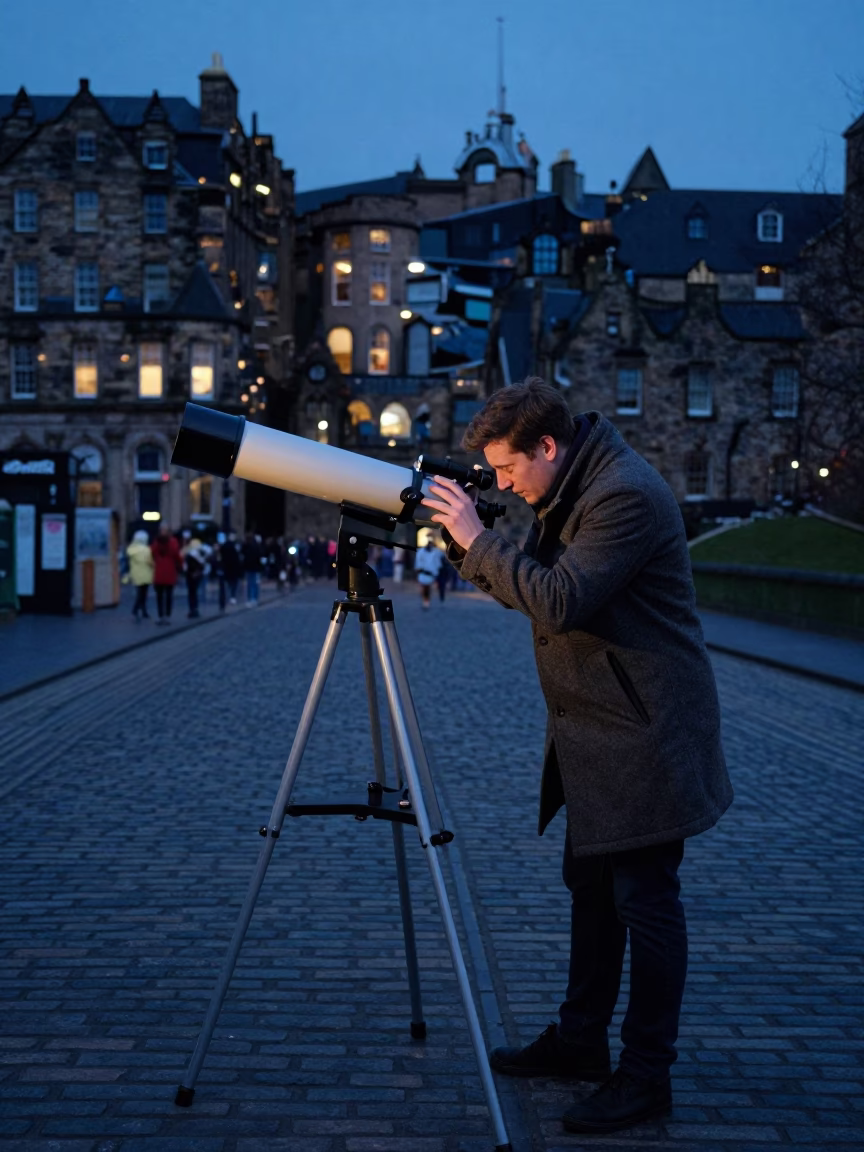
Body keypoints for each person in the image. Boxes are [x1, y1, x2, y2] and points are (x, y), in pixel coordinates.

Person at [422, 378, 733, 1136]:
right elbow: (532, 591)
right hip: (600, 729)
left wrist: (475, 536)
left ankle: (645, 1076)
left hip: (645, 733)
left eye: (506, 469)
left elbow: (559, 600)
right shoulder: (572, 487)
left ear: (548, 447)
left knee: (645, 903)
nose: (501, 484)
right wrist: (467, 546)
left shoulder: (623, 494)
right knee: (591, 889)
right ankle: (581, 1041)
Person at [150, 526, 182, 625]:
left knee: (159, 596)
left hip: (159, 572)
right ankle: (167, 616)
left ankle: (161, 616)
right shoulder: (173, 542)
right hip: (170, 572)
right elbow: (177, 556)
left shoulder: (156, 542)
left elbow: (152, 553)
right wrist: (180, 567)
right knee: (169, 595)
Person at [126, 530, 153, 620]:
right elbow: (150, 562)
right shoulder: (147, 550)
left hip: (136, 574)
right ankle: (138, 610)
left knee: (140, 594)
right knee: (144, 594)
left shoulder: (131, 549)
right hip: (146, 574)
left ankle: (141, 610)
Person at [413, 539, 444, 609]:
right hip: (423, 573)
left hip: (430, 574)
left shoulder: (436, 552)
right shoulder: (421, 552)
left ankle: (426, 602)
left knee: (427, 589)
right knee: (424, 588)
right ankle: (425, 601)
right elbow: (418, 562)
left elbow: (438, 562)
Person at [181, 536, 207, 619]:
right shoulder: (201, 554)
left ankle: (192, 609)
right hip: (197, 575)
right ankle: (195, 609)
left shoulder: (190, 554)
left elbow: (186, 566)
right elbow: (202, 565)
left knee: (191, 593)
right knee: (194, 593)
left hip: (190, 575)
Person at [221, 532, 242, 604]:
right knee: (233, 583)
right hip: (233, 568)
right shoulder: (234, 546)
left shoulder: (225, 545)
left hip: (227, 567)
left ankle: (229, 596)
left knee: (229, 583)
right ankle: (232, 597)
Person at [242, 533, 261, 605]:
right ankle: (254, 598)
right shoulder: (256, 546)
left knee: (250, 584)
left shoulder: (246, 546)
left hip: (249, 567)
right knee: (254, 583)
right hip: (255, 568)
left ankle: (250, 599)